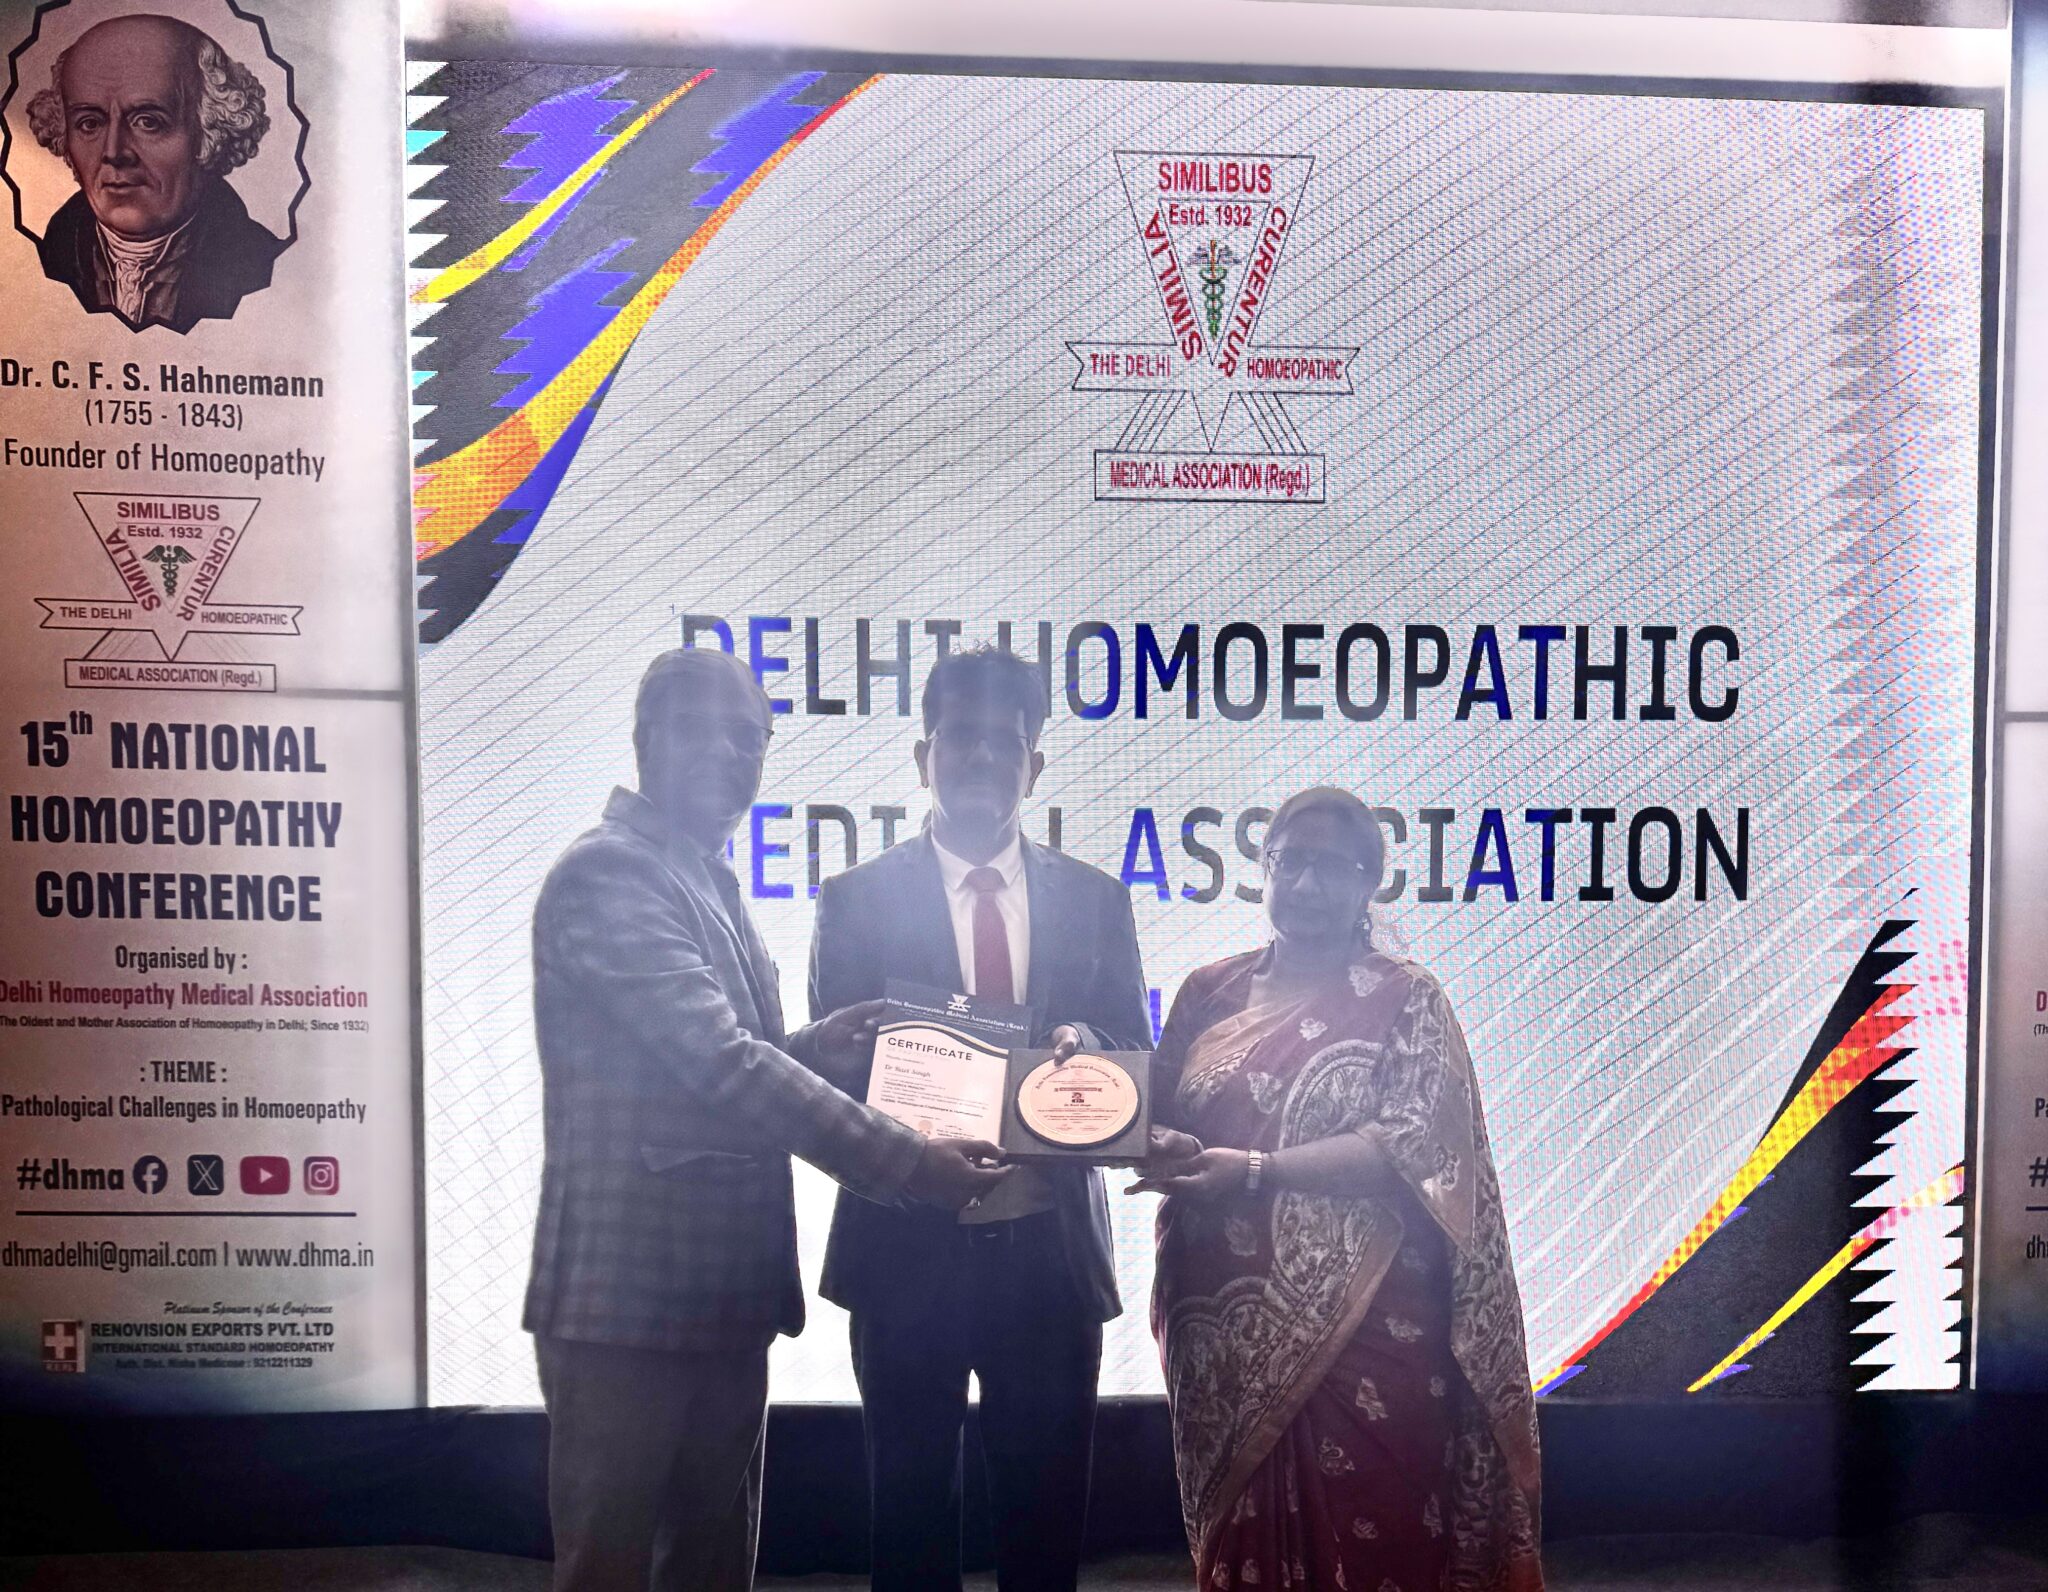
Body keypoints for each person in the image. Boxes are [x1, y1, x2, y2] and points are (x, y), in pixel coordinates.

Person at [525, 647, 1005, 1592]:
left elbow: (714, 1062)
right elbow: (721, 1064)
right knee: (610, 1567)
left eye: (749, 738)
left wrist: (814, 1045)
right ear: (645, 738)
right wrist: (912, 1163)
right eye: (702, 729)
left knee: (714, 1565)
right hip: (626, 1301)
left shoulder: (706, 877)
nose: (729, 753)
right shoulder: (609, 873)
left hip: (723, 1294)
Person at [1134, 787, 1543, 1591]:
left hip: (1373, 1322)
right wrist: (1122, 1120)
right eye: (1290, 861)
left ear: (1369, 884)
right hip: (1218, 1322)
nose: (1307, 883)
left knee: (1380, 1528)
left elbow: (1412, 1143)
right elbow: (1157, 1113)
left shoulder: (1406, 997)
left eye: (1332, 866)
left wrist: (1257, 1170)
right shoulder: (1208, 991)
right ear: (1263, 868)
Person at [807, 645, 1151, 1591]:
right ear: (925, 756)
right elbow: (837, 1076)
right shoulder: (854, 900)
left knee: (1045, 1536)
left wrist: (1089, 1042)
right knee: (909, 1529)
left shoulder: (1097, 899)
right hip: (903, 1251)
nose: (983, 757)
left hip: (1048, 1253)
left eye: (1007, 741)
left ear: (1033, 766)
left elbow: (1134, 1046)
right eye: (962, 737)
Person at [26, 13, 285, 331]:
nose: (113, 152)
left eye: (148, 122)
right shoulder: (42, 261)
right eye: (90, 123)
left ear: (211, 131)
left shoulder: (262, 266)